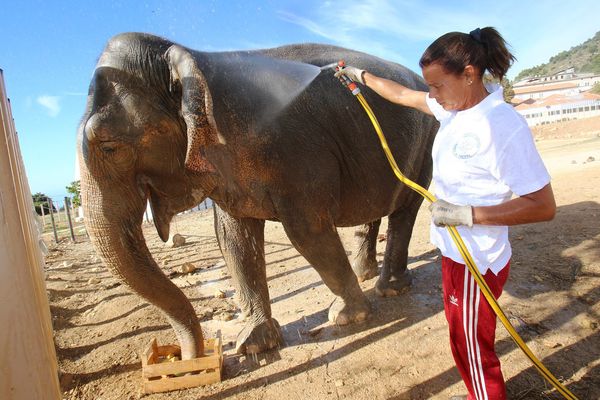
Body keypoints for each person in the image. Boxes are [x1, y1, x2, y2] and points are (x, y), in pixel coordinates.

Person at [336, 27, 556, 400]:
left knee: (471, 347)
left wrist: (468, 215)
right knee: (463, 337)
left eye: (438, 85)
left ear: (469, 74)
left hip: (477, 260)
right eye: (431, 87)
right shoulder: (454, 109)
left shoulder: (501, 126)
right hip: (455, 251)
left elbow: (543, 205)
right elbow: (404, 95)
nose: (432, 95)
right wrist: (361, 76)